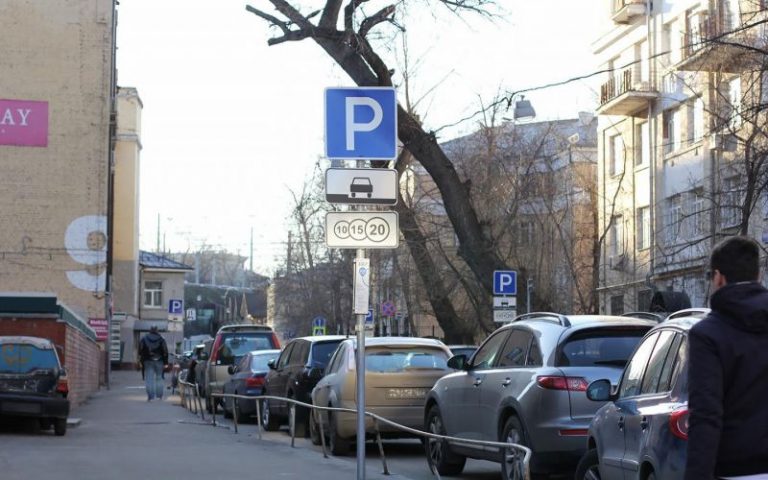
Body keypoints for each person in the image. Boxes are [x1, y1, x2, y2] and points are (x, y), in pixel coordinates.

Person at [685, 236, 768, 480]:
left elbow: (706, 415)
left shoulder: (707, 335)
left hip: (735, 469)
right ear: (759, 276)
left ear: (718, 277)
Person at [138, 326, 169, 402]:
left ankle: (150, 397)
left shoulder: (144, 338)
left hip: (148, 360)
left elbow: (140, 350)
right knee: (159, 378)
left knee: (149, 378)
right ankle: (159, 396)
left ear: (150, 330)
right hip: (159, 361)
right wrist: (166, 362)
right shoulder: (161, 339)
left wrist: (141, 359)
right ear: (157, 330)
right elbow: (165, 351)